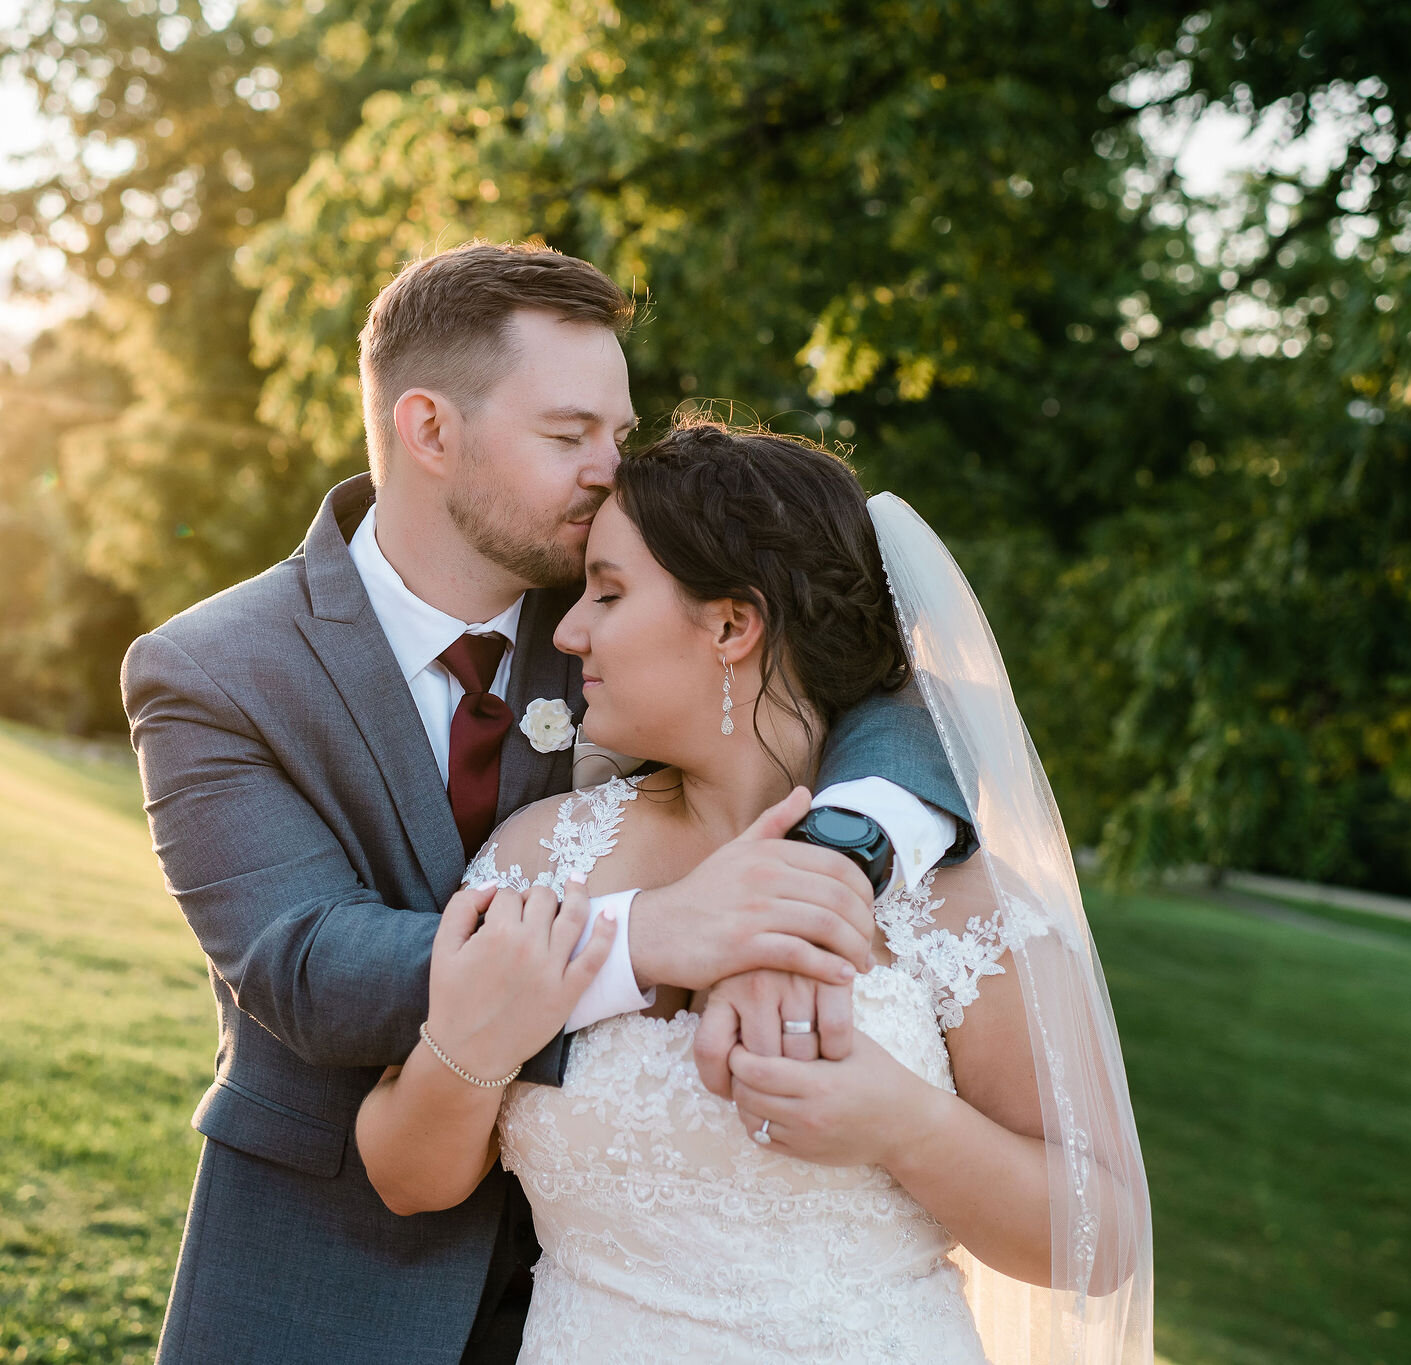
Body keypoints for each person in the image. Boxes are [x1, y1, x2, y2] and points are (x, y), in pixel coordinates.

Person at [121, 243, 974, 1363]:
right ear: (429, 431)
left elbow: (885, 706)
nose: (607, 472)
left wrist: (815, 874)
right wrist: (657, 933)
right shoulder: (215, 671)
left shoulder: (631, 604)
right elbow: (308, 965)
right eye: (569, 437)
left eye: (616, 437)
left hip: (614, 1289)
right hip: (332, 1272)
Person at [355, 421, 1155, 1363]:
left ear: (733, 624)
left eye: (608, 593)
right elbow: (411, 1176)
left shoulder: (957, 900)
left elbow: (1103, 1236)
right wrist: (481, 1036)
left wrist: (905, 1123)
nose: (567, 631)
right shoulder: (544, 855)